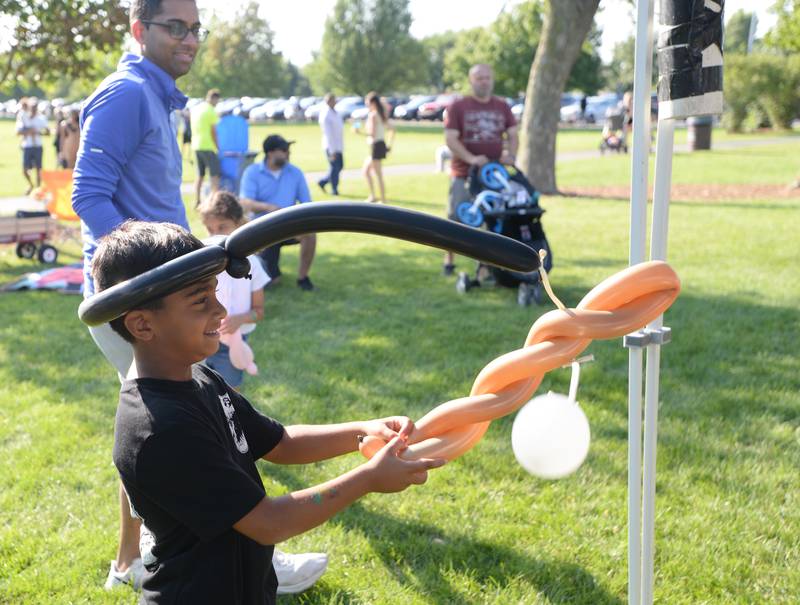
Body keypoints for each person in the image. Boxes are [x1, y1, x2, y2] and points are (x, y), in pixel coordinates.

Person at [72, 0, 327, 594]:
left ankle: (133, 559)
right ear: (140, 30)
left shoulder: (156, 97)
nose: (189, 39)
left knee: (179, 423)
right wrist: (149, 283)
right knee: (185, 423)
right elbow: (89, 195)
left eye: (195, 28)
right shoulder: (128, 94)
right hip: (138, 303)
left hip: (162, 294)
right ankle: (245, 541)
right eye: (174, 27)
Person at [91, 220, 445, 604]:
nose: (221, 310)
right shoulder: (159, 428)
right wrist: (368, 478)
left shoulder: (197, 378)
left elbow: (280, 442)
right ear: (143, 324)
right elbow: (268, 522)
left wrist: (361, 429)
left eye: (216, 294)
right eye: (200, 301)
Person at [442, 64, 517, 275]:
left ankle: (485, 267)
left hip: (493, 176)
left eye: (487, 78)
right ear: (471, 81)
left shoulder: (502, 106)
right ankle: (449, 261)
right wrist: (472, 158)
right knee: (455, 219)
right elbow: (450, 139)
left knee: (492, 221)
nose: (484, 82)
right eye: (479, 78)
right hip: (464, 174)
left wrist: (510, 155)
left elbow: (512, 134)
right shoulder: (458, 106)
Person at [198, 191, 269, 389]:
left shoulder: (253, 265)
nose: (216, 235)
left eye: (223, 227)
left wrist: (239, 319)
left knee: (229, 391)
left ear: (239, 224)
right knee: (201, 388)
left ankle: (230, 418)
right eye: (210, 229)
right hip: (201, 336)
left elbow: (259, 311)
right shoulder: (203, 263)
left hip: (233, 343)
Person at [239, 134, 316, 291]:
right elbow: (245, 203)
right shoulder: (252, 172)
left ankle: (303, 278)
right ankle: (271, 271)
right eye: (284, 150)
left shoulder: (296, 172)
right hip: (263, 228)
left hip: (289, 226)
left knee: (310, 233)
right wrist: (269, 208)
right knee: (272, 282)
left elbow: (307, 203)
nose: (288, 153)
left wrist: (301, 223)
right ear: (270, 153)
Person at [355, 92, 395, 204]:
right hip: (379, 145)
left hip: (376, 146)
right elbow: (392, 129)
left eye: (367, 101)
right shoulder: (379, 114)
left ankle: (383, 199)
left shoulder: (373, 115)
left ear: (372, 102)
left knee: (378, 174)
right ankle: (373, 196)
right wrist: (389, 145)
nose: (366, 103)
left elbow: (371, 134)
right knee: (366, 171)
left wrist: (358, 132)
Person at [191, 88, 221, 206]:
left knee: (200, 175)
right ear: (214, 98)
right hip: (207, 146)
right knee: (215, 174)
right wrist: (217, 146)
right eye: (217, 101)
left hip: (196, 146)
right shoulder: (211, 111)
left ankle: (197, 200)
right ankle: (214, 201)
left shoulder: (197, 109)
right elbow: (213, 132)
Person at [16, 97, 50, 194]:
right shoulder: (24, 117)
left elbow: (47, 132)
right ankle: (31, 185)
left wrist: (38, 133)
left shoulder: (41, 118)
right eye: (32, 107)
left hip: (38, 146)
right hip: (27, 146)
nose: (33, 109)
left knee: (39, 169)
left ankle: (38, 189)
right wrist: (29, 131)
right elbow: (18, 132)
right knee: (25, 170)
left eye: (35, 107)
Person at [317, 93, 344, 196]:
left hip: (338, 145)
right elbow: (328, 134)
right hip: (331, 146)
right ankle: (334, 189)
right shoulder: (326, 114)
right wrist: (332, 151)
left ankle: (323, 182)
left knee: (340, 166)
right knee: (334, 167)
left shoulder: (335, 112)